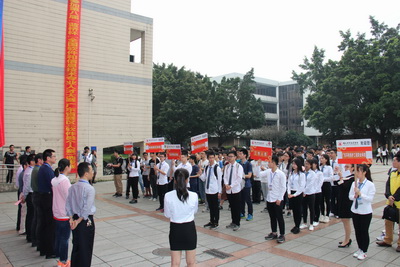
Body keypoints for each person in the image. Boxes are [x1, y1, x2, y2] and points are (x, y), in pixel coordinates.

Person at [164, 168, 198, 267]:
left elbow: (167, 215)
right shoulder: (194, 195)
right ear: (187, 180)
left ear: (175, 180)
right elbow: (195, 211)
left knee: (175, 262)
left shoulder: (168, 196)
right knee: (191, 262)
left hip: (175, 229)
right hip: (189, 229)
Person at [66, 162, 96, 267]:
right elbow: (86, 209)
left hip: (74, 220)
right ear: (86, 173)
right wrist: (78, 221)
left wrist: (71, 219)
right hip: (84, 221)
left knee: (77, 246)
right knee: (86, 248)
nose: (93, 172)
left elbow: (68, 204)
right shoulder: (89, 189)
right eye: (91, 170)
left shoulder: (72, 187)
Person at [349, 164, 376, 260]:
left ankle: (364, 250)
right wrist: (354, 196)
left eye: (359, 171)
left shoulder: (370, 184)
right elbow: (350, 196)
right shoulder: (354, 183)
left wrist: (361, 194)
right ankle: (360, 248)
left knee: (364, 231)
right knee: (357, 231)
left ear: (364, 172)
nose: (356, 173)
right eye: (356, 171)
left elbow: (370, 199)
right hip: (355, 210)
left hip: (365, 211)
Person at [377, 151, 400, 252]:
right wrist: (388, 195)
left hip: (398, 202)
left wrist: (394, 197)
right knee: (388, 221)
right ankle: (388, 240)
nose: (393, 162)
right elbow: (387, 185)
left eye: (394, 160)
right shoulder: (393, 173)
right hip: (391, 202)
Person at [261, 155, 286, 243]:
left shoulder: (280, 174)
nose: (268, 163)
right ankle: (274, 232)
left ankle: (282, 234)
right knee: (272, 217)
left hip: (277, 199)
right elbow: (259, 174)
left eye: (269, 162)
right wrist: (259, 165)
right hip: (270, 198)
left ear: (274, 163)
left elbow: (283, 187)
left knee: (279, 217)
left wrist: (280, 198)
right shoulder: (268, 172)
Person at [51, 158, 72, 267]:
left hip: (56, 212)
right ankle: (63, 261)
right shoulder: (64, 181)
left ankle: (59, 256)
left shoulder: (55, 179)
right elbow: (69, 198)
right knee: (64, 239)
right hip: (64, 213)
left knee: (59, 237)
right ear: (67, 167)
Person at [37, 149, 57, 258]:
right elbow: (53, 185)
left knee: (44, 224)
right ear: (48, 158)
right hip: (47, 199)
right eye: (53, 156)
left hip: (43, 197)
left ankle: (43, 248)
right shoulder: (47, 170)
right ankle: (50, 251)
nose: (55, 158)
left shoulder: (43, 168)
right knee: (49, 226)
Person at [199, 151, 222, 230]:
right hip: (208, 190)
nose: (211, 159)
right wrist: (200, 174)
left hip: (215, 190)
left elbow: (219, 180)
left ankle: (216, 222)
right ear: (208, 158)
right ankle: (211, 221)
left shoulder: (217, 168)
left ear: (215, 157)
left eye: (212, 157)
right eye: (210, 158)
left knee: (215, 207)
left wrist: (220, 191)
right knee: (211, 207)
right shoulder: (207, 167)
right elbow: (204, 178)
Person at [223, 151, 244, 231]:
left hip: (235, 189)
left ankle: (237, 223)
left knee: (237, 207)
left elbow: (239, 178)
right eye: (229, 156)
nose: (229, 158)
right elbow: (225, 177)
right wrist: (226, 184)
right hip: (228, 190)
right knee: (231, 206)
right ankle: (233, 222)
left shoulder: (239, 167)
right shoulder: (227, 166)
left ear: (235, 157)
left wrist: (231, 186)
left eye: (231, 156)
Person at [337, 164, 355, 248]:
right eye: (345, 167)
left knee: (346, 220)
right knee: (344, 220)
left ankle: (347, 240)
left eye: (347, 167)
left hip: (347, 202)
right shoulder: (346, 176)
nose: (345, 168)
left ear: (352, 168)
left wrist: (341, 178)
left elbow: (345, 187)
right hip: (342, 200)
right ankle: (347, 238)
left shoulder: (352, 178)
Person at [287, 158, 305, 234]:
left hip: (297, 194)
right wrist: (288, 192)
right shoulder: (291, 173)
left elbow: (302, 186)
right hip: (291, 192)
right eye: (292, 164)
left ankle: (298, 225)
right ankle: (295, 225)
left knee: (298, 210)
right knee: (294, 210)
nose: (293, 165)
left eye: (295, 164)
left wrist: (294, 195)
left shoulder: (302, 174)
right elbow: (288, 183)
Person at [300, 159, 317, 231]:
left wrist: (305, 191)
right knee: (304, 208)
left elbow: (310, 184)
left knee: (311, 209)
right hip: (303, 194)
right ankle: (304, 222)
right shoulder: (303, 173)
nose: (306, 165)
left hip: (310, 193)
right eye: (305, 164)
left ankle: (311, 223)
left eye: (308, 164)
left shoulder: (313, 173)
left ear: (310, 165)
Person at [22, 154, 36, 242]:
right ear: (31, 162)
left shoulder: (29, 170)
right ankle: (30, 235)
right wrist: (24, 195)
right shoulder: (29, 172)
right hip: (30, 194)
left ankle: (30, 234)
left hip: (30, 194)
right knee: (31, 215)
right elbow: (27, 186)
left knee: (30, 215)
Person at [31, 153, 43, 249]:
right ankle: (37, 241)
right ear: (39, 160)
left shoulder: (35, 169)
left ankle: (34, 239)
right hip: (38, 195)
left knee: (36, 218)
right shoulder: (38, 170)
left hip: (35, 195)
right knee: (38, 219)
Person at [238, 148, 253, 221]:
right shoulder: (239, 164)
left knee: (248, 200)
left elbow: (249, 175)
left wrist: (241, 175)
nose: (239, 155)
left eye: (241, 154)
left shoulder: (248, 164)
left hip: (246, 184)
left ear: (245, 155)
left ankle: (250, 214)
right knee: (241, 200)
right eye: (239, 153)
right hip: (240, 184)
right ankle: (242, 213)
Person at [320, 154, 333, 223]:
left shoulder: (329, 168)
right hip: (320, 186)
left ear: (326, 160)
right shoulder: (319, 167)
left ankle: (327, 215)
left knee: (327, 200)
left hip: (327, 185)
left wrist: (322, 179)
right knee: (321, 200)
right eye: (321, 158)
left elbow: (331, 178)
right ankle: (322, 214)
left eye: (323, 158)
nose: (321, 159)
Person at [312, 159, 324, 227]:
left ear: (316, 164)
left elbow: (320, 183)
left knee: (317, 205)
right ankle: (313, 218)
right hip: (311, 192)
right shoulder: (310, 172)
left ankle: (316, 219)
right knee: (312, 206)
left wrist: (315, 190)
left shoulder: (319, 173)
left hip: (317, 191)